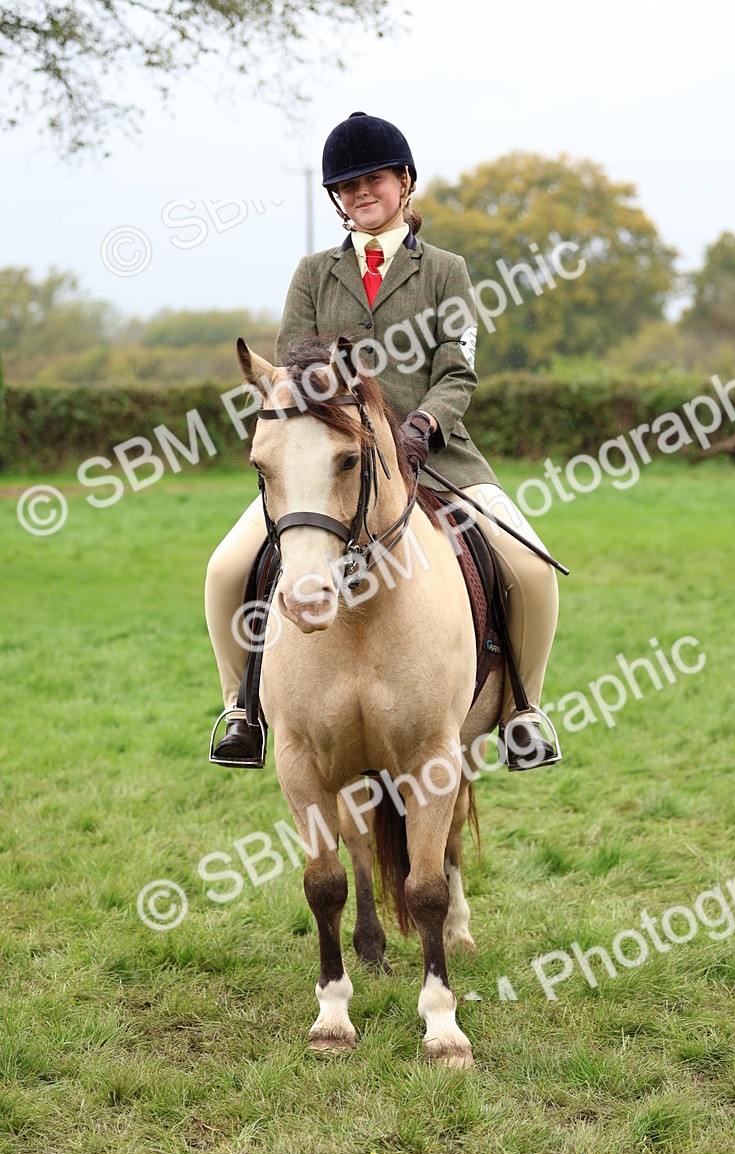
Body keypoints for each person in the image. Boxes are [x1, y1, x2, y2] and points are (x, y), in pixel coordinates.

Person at [205, 111, 560, 770]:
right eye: (346, 186)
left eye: (372, 179)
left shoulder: (446, 271)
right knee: (226, 569)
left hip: (437, 457)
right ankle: (241, 711)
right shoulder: (313, 274)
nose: (360, 193)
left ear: (404, 182)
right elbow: (292, 369)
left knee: (532, 569)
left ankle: (524, 712)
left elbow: (457, 370)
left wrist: (424, 423)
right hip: (327, 467)